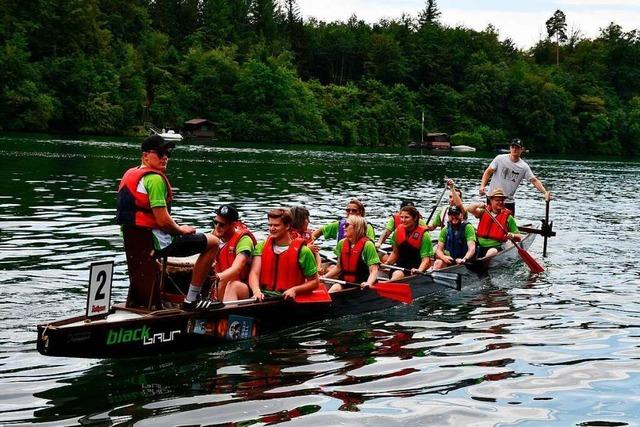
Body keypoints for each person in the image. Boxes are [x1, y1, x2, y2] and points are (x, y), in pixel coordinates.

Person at [116, 134, 219, 308]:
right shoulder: (155, 179)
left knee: (155, 260)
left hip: (134, 241)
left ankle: (149, 300)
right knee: (213, 243)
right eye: (160, 153)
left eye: (167, 154)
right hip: (157, 243)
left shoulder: (130, 174)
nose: (165, 157)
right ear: (145, 155)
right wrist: (180, 230)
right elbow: (163, 222)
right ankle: (191, 299)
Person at [247, 209, 319, 301]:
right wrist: (256, 291)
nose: (272, 228)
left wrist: (294, 290)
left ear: (287, 226)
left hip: (288, 298)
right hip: (263, 297)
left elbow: (314, 282)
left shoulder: (303, 252)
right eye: (270, 225)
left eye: (276, 225)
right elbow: (254, 273)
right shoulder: (261, 246)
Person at [479, 138, 551, 216]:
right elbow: (488, 172)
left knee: (509, 226)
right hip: (493, 199)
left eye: (517, 147)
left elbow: (534, 180)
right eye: (512, 147)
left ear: (522, 150)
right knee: (490, 224)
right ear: (510, 148)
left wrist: (545, 192)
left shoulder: (523, 167)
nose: (514, 149)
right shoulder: (499, 159)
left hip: (508, 201)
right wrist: (482, 186)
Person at [209, 205, 257, 302]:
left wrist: (218, 277)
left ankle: (224, 316)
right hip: (218, 285)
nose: (217, 227)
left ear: (233, 224)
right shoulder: (212, 237)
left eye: (222, 224)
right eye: (215, 223)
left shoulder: (244, 240)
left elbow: (237, 268)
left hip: (241, 288)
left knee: (232, 285)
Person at [323, 215, 381, 292]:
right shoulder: (342, 243)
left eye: (346, 225)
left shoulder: (368, 245)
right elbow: (338, 267)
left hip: (362, 284)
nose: (344, 227)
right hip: (345, 282)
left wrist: (368, 283)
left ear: (357, 228)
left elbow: (374, 270)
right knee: (335, 288)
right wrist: (324, 277)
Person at [467, 188, 521, 258]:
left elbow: (519, 237)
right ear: (491, 201)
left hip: (496, 247)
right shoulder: (483, 212)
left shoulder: (508, 217)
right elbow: (469, 209)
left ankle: (483, 261)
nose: (500, 202)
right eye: (497, 200)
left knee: (492, 251)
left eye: (502, 200)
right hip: (479, 245)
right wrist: (479, 204)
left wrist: (513, 235)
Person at [385, 205, 434, 280]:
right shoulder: (397, 231)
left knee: (398, 275)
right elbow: (395, 253)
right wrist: (386, 264)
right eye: (401, 217)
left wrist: (419, 270)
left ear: (415, 218)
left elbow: (426, 259)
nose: (403, 220)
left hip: (416, 269)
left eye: (406, 217)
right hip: (400, 267)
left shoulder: (424, 235)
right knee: (398, 274)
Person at [310, 199, 375, 245]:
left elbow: (370, 244)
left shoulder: (367, 227)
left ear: (361, 213)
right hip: (342, 258)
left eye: (354, 210)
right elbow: (318, 232)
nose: (350, 212)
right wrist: (309, 243)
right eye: (348, 210)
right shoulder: (339, 224)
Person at [433, 205, 477, 270]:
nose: (454, 217)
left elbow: (472, 248)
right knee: (438, 262)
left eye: (456, 214)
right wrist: (443, 257)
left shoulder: (468, 227)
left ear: (461, 215)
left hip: (465, 260)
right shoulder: (445, 229)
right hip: (451, 260)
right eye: (451, 215)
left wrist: (464, 259)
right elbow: (439, 249)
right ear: (448, 216)